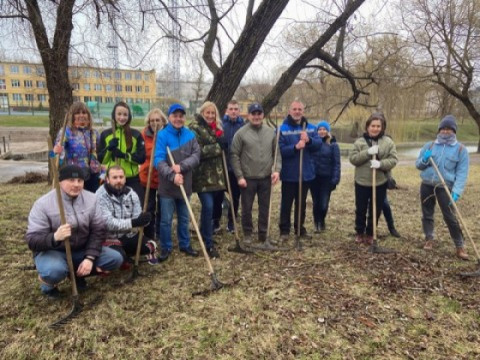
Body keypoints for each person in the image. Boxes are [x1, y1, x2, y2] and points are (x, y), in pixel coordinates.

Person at [25, 165, 124, 299]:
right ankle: (47, 284)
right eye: (71, 180)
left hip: (82, 249)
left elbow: (98, 230)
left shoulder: (91, 199)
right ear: (60, 181)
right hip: (54, 251)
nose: (76, 184)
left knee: (114, 259)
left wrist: (90, 258)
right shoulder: (43, 204)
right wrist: (55, 237)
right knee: (54, 271)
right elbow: (32, 240)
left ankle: (77, 275)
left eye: (80, 181)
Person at [415, 115, 469, 260]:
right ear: (439, 130)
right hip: (427, 184)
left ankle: (459, 245)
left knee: (450, 216)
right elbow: (418, 165)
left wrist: (456, 192)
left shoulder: (460, 150)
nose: (446, 131)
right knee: (427, 213)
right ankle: (429, 238)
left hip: (445, 187)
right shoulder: (430, 145)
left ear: (454, 131)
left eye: (449, 129)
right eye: (443, 129)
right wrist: (424, 159)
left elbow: (462, 173)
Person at [154, 103, 201, 262]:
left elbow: (196, 156)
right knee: (166, 220)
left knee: (184, 217)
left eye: (181, 116)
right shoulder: (162, 135)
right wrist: (172, 175)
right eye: (175, 116)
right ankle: (166, 247)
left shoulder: (190, 135)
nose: (178, 119)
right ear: (169, 117)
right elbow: (158, 161)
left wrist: (181, 167)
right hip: (167, 186)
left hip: (185, 184)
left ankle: (185, 244)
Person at [230, 103, 281, 243]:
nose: (256, 116)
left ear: (263, 115)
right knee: (247, 207)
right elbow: (234, 155)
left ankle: (263, 234)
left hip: (266, 178)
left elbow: (276, 153)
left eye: (259, 113)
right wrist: (239, 176)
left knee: (265, 207)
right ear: (248, 115)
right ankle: (247, 233)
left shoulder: (271, 132)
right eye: (254, 113)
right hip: (247, 178)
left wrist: (276, 170)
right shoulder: (241, 133)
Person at [349, 112, 398, 245]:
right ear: (367, 126)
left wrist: (380, 164)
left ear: (382, 127)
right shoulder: (359, 142)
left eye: (378, 126)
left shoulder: (388, 142)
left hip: (379, 182)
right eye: (373, 125)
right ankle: (359, 232)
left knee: (375, 209)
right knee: (360, 208)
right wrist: (367, 153)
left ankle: (371, 233)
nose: (375, 128)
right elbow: (353, 159)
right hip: (362, 181)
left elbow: (393, 160)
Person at [96, 165, 158, 267]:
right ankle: (122, 258)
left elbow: (137, 219)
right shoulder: (100, 196)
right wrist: (132, 223)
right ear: (107, 179)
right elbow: (108, 223)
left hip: (128, 235)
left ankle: (126, 256)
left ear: (125, 178)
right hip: (108, 238)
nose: (118, 180)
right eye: (115, 178)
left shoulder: (131, 193)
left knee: (151, 246)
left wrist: (145, 220)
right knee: (119, 257)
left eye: (121, 177)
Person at [278, 100, 321, 241]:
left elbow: (318, 145)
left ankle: (299, 228)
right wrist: (295, 147)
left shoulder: (311, 128)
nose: (297, 112)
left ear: (303, 111)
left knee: (301, 204)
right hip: (289, 174)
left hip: (305, 173)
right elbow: (280, 151)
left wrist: (309, 141)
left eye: (299, 109)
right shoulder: (282, 129)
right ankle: (284, 230)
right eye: (294, 109)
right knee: (286, 203)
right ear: (289, 111)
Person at [189, 101, 227, 258]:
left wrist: (222, 142)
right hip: (203, 177)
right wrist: (218, 147)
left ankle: (207, 235)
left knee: (213, 209)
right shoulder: (194, 127)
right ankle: (208, 243)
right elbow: (198, 151)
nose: (210, 116)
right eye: (208, 113)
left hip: (217, 177)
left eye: (213, 113)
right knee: (208, 207)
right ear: (202, 113)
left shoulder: (217, 128)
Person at [98, 101, 146, 200]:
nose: (122, 117)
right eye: (119, 114)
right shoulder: (105, 134)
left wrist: (124, 155)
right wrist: (109, 149)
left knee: (136, 207)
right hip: (113, 178)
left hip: (131, 179)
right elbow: (101, 160)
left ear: (129, 116)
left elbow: (141, 158)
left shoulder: (136, 134)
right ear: (114, 115)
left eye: (125, 114)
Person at [53, 102, 102, 193]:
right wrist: (55, 152)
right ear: (72, 116)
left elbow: (99, 152)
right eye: (77, 113)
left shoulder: (94, 133)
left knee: (92, 200)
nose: (81, 115)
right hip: (75, 175)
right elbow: (55, 156)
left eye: (84, 113)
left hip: (93, 174)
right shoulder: (66, 132)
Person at [215, 100, 245, 233]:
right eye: (231, 109)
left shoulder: (243, 126)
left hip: (236, 168)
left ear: (239, 111)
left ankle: (232, 222)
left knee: (235, 196)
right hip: (222, 167)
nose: (233, 111)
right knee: (218, 195)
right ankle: (215, 222)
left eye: (236, 109)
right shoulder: (220, 125)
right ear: (227, 110)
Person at [139, 108, 168, 240]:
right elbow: (141, 153)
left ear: (163, 121)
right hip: (148, 176)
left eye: (158, 120)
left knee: (163, 207)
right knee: (149, 206)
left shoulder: (168, 134)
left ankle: (160, 233)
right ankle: (149, 235)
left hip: (163, 176)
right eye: (152, 120)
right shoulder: (143, 135)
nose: (155, 123)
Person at [310, 121, 340, 232]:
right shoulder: (313, 143)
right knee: (316, 202)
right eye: (320, 129)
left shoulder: (333, 145)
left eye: (324, 129)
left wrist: (335, 179)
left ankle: (322, 220)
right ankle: (317, 223)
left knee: (323, 203)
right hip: (314, 178)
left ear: (328, 131)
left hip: (326, 178)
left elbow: (336, 163)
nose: (322, 131)